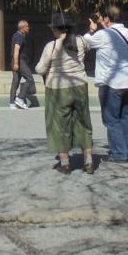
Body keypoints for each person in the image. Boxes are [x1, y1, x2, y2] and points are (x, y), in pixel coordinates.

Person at [36, 12, 94, 173]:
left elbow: (40, 69)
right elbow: (88, 45)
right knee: (83, 121)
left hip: (58, 88)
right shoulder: (80, 41)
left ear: (56, 29)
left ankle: (65, 163)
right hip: (80, 84)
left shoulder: (52, 46)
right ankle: (89, 160)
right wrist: (91, 31)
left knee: (59, 125)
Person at [84, 4, 128, 162]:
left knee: (112, 120)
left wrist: (92, 30)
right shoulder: (127, 32)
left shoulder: (102, 35)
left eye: (103, 17)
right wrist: (103, 25)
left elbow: (85, 43)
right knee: (126, 118)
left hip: (111, 83)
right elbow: (112, 35)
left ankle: (119, 154)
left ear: (107, 18)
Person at [9, 19, 39, 108]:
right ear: (23, 27)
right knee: (29, 79)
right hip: (20, 61)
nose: (28, 28)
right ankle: (20, 97)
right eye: (27, 26)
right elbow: (16, 49)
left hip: (16, 60)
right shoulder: (20, 36)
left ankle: (12, 103)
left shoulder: (16, 35)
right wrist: (16, 63)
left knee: (16, 81)